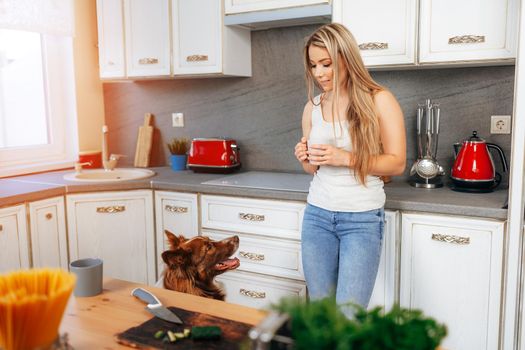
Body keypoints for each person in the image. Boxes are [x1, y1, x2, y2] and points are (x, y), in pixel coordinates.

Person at [294, 23, 406, 317]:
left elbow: (396, 162)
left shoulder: (379, 99)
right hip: (317, 217)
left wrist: (345, 157)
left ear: (346, 57)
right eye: (314, 65)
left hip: (361, 219)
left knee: (349, 317)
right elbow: (312, 169)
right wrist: (305, 156)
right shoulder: (312, 108)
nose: (319, 73)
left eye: (326, 63)